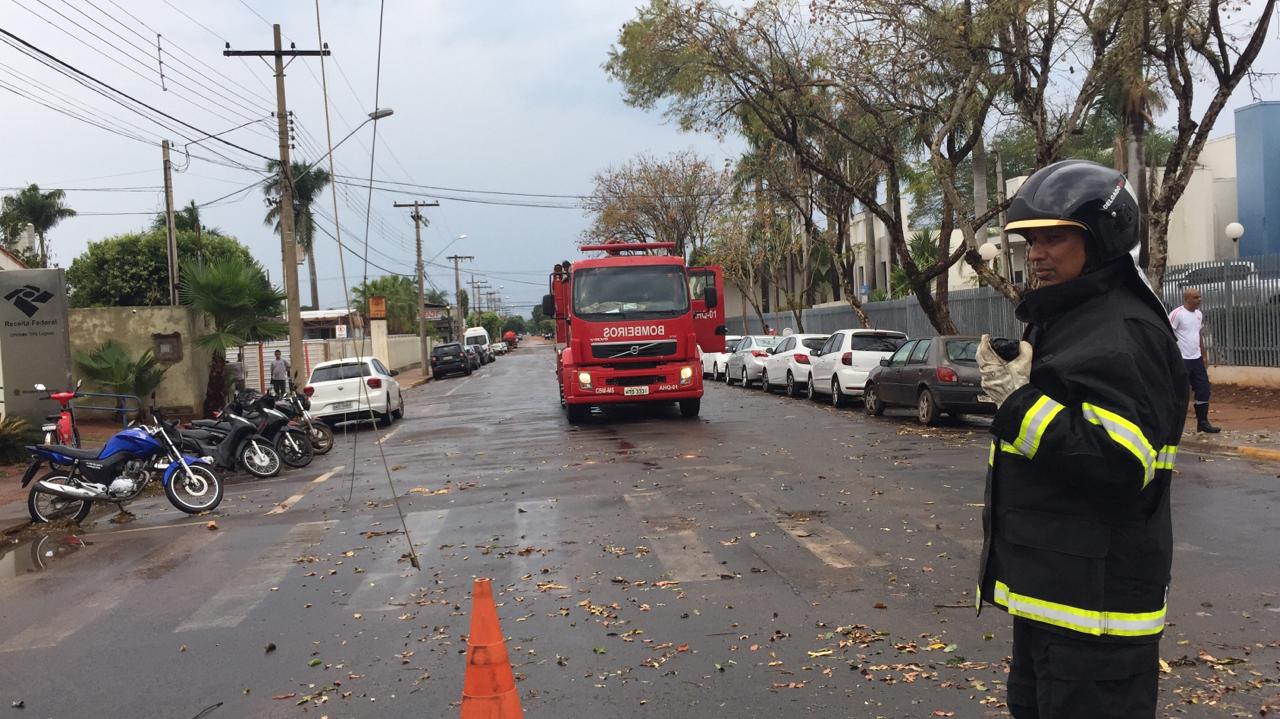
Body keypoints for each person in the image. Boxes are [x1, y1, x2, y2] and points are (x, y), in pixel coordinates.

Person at [975, 160, 1187, 719]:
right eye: (1031, 241)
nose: (1037, 253)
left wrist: (1016, 401)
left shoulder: (1120, 330)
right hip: (1055, 607)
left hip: (1097, 626)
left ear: (1102, 240)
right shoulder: (1073, 317)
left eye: (1055, 238)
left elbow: (1118, 467)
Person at [1169, 288, 1221, 433]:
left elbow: (1198, 335)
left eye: (1200, 297)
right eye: (1196, 297)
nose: (1200, 299)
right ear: (1187, 299)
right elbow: (1168, 335)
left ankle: (1203, 423)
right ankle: (1173, 424)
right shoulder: (1177, 314)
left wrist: (1204, 355)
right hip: (1182, 359)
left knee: (1204, 389)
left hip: (1196, 358)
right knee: (1181, 391)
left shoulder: (1199, 314)